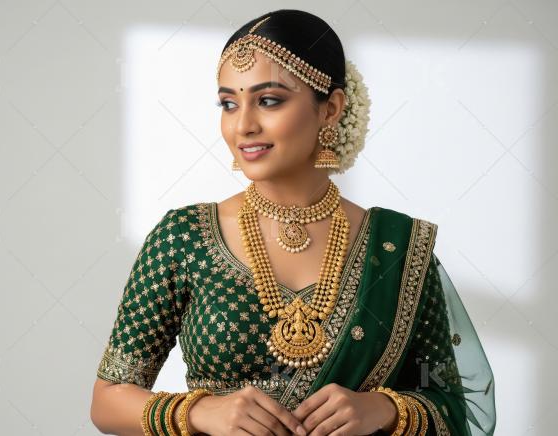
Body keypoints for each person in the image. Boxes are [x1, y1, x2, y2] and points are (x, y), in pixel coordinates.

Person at [90, 9, 496, 436]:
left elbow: (448, 400)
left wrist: (382, 408)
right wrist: (200, 413)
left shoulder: (398, 249)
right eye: (229, 103)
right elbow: (108, 398)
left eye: (268, 100)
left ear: (331, 108)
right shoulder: (183, 238)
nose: (243, 125)